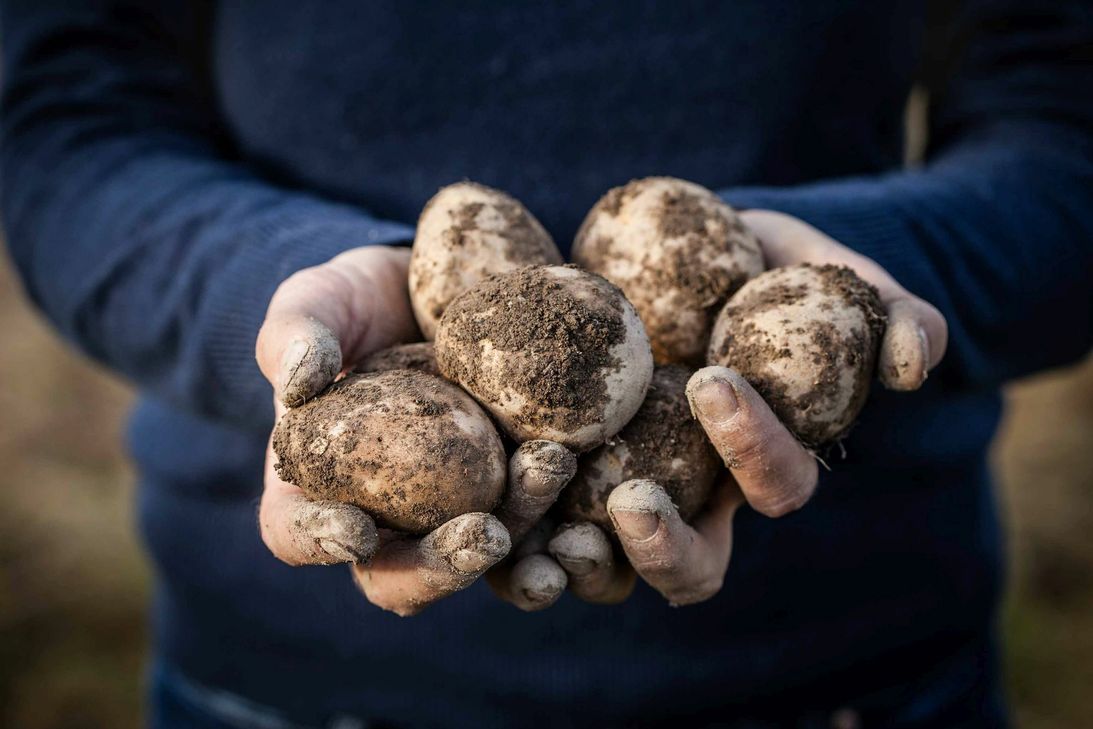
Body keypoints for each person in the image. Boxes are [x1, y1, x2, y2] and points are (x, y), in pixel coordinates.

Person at [2, 0, 1090, 726]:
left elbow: (1063, 128)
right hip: (285, 683)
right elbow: (62, 126)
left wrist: (850, 278)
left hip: (855, 661)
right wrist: (281, 292)